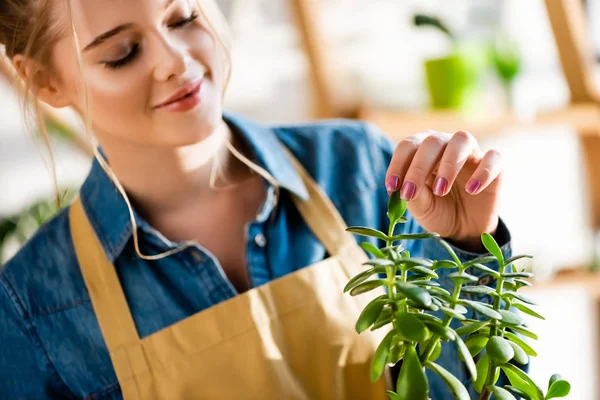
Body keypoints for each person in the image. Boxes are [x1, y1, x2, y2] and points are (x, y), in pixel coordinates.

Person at [0, 0, 510, 398]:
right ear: (45, 80)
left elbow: (484, 388)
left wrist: (465, 248)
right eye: (122, 54)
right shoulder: (30, 307)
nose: (177, 61)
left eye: (183, 17)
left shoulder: (360, 169)